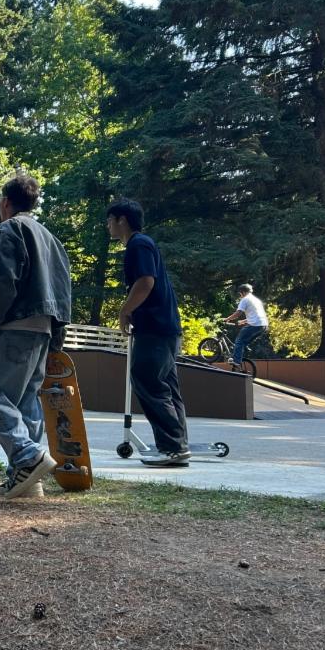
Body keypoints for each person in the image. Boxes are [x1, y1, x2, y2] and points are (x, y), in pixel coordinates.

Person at [0, 174, 73, 498]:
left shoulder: (10, 229)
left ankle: (27, 456)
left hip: (15, 325)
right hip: (43, 330)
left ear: (5, 202)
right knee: (27, 401)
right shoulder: (51, 239)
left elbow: (2, 283)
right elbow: (63, 291)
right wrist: (57, 337)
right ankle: (28, 481)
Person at [107, 199, 190, 467]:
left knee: (147, 380)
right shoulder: (143, 243)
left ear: (122, 220)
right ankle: (178, 446)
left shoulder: (138, 244)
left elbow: (145, 282)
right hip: (165, 328)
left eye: (110, 220)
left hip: (155, 328)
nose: (108, 226)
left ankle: (172, 447)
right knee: (167, 387)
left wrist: (125, 311)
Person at [222, 283, 269, 369]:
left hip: (254, 325)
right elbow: (256, 315)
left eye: (240, 294)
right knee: (242, 343)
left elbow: (238, 312)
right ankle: (240, 355)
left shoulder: (245, 299)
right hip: (263, 326)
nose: (240, 296)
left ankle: (236, 361)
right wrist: (243, 321)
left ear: (243, 292)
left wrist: (227, 319)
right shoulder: (257, 300)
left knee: (239, 341)